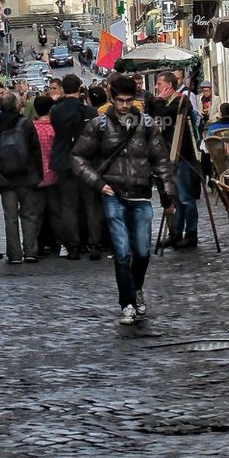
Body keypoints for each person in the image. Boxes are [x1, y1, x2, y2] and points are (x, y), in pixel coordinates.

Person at [72, 73, 176, 325]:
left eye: (129, 101)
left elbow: (161, 161)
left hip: (141, 194)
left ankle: (136, 287)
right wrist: (98, 184)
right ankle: (127, 302)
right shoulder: (98, 125)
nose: (125, 105)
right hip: (114, 193)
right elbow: (77, 157)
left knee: (141, 251)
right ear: (112, 98)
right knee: (122, 252)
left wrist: (168, 194)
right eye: (120, 101)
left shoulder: (148, 124)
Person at [0, 92, 43, 263]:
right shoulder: (26, 124)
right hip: (27, 175)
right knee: (29, 215)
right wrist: (39, 174)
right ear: (17, 106)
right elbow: (35, 150)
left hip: (6, 178)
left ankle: (14, 254)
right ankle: (31, 251)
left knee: (10, 217)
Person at [50, 73, 101, 260]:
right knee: (90, 204)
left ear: (63, 89)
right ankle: (94, 244)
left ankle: (73, 246)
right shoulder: (90, 112)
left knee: (69, 206)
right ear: (80, 88)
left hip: (65, 161)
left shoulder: (56, 111)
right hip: (86, 162)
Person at [152, 71, 202, 249]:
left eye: (159, 83)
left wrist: (158, 101)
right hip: (169, 157)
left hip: (182, 156)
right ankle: (176, 233)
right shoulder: (166, 103)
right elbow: (153, 114)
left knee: (185, 198)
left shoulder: (181, 101)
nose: (156, 87)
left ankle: (191, 234)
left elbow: (163, 114)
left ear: (169, 86)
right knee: (175, 198)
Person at [31, 94, 63, 256]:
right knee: (55, 212)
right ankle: (56, 243)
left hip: (35, 176)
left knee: (37, 213)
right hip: (53, 175)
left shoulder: (31, 128)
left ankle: (37, 243)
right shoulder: (54, 128)